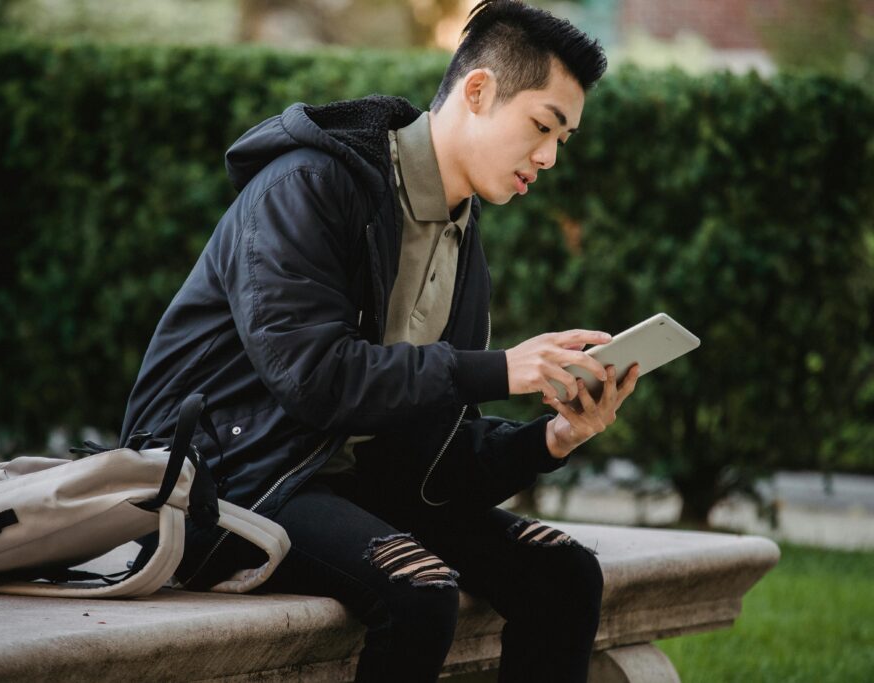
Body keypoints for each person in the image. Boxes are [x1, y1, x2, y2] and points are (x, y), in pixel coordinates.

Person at [121, 1, 639, 680]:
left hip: (343, 487)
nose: (547, 157)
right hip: (222, 478)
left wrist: (551, 439)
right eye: (542, 126)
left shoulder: (460, 236)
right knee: (420, 590)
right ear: (478, 91)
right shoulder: (310, 185)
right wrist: (497, 369)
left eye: (561, 140)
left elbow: (431, 461)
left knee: (563, 573)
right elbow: (313, 376)